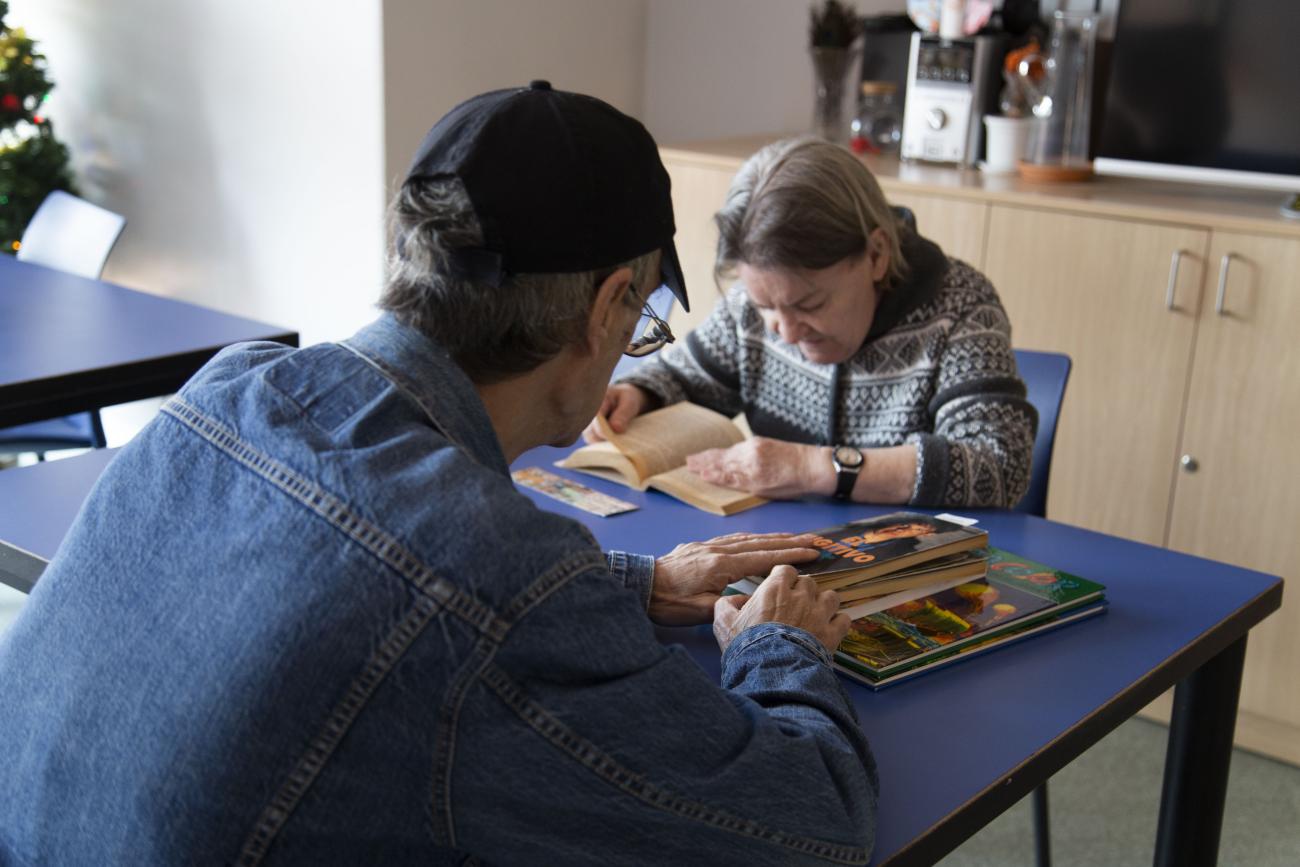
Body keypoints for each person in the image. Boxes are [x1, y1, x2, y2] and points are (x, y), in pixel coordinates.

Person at [0, 84, 879, 865]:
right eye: (641, 316)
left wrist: (635, 583)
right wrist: (780, 645)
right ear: (607, 305)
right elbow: (815, 824)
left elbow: (361, 591)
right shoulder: (496, 570)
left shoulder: (237, 386)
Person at [587, 136, 1037, 509]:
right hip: (785, 555)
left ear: (876, 255)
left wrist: (811, 467)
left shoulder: (960, 307)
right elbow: (685, 377)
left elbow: (998, 465)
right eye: (766, 306)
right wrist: (636, 394)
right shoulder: (754, 304)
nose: (783, 329)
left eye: (809, 304)